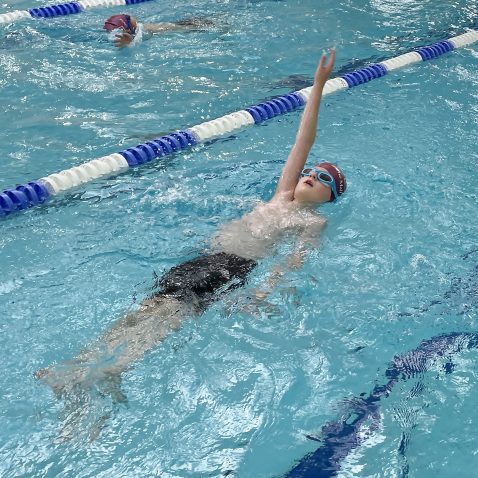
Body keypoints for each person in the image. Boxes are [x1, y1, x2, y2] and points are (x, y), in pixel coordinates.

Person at [36, 49, 345, 402]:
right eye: (309, 170)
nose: (309, 175)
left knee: (167, 318)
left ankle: (105, 372)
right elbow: (301, 143)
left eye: (322, 178)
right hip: (204, 258)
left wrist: (264, 291)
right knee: (149, 309)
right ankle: (83, 366)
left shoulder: (311, 220)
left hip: (230, 268)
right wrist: (317, 84)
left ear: (329, 197)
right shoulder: (282, 194)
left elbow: (295, 260)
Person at [103, 13, 213, 48]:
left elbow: (136, 40)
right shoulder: (140, 30)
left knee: (191, 27)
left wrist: (129, 42)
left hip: (177, 27)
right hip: (176, 26)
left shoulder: (141, 31)